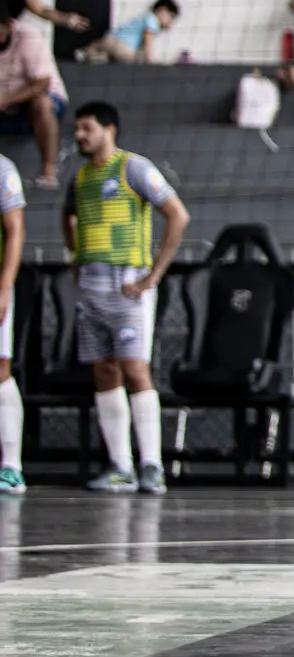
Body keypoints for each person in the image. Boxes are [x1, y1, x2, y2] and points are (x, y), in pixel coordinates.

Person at [63, 103, 189, 495]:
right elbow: (69, 217)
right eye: (77, 129)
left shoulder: (133, 168)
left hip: (127, 285)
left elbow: (177, 215)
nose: (80, 136)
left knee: (135, 369)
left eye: (87, 128)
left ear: (109, 129)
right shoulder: (81, 176)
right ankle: (121, 466)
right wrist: (76, 256)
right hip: (91, 288)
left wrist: (153, 275)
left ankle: (152, 465)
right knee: (103, 371)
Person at [0, 0, 66, 187]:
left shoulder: (29, 36)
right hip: (4, 109)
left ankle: (48, 172)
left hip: (33, 103)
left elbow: (42, 83)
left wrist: (7, 99)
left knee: (42, 103)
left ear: (8, 25)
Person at [0, 153, 26, 494]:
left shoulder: (3, 168)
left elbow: (15, 229)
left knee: (0, 369)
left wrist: (5, 286)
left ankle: (11, 467)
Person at [78, 0, 179, 65]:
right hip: (125, 49)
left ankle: (86, 53)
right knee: (136, 60)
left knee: (102, 49)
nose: (170, 22)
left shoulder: (143, 17)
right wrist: (149, 59)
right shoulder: (153, 20)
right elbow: (148, 36)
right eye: (171, 17)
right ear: (162, 10)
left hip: (110, 39)